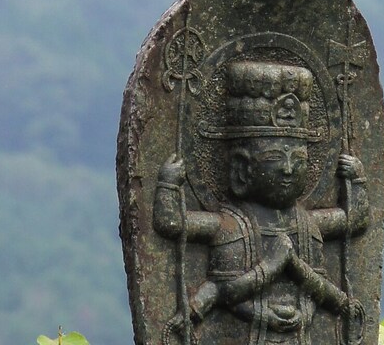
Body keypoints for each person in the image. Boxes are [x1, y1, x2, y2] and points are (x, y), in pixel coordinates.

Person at [153, 61, 369, 345]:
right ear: (242, 169)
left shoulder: (307, 224)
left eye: (299, 161)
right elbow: (173, 226)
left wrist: (357, 180)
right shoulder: (230, 225)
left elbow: (354, 221)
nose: (289, 170)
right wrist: (169, 184)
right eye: (275, 159)